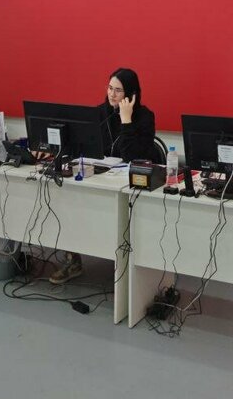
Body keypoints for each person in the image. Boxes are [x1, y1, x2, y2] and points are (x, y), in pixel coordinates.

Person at [49, 67, 155, 284]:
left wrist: (126, 121)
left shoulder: (145, 117)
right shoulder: (99, 114)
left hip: (127, 186)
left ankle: (127, 268)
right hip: (98, 179)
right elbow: (82, 146)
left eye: (118, 90)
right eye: (109, 88)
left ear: (130, 93)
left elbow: (133, 156)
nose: (112, 94)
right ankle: (72, 259)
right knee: (68, 199)